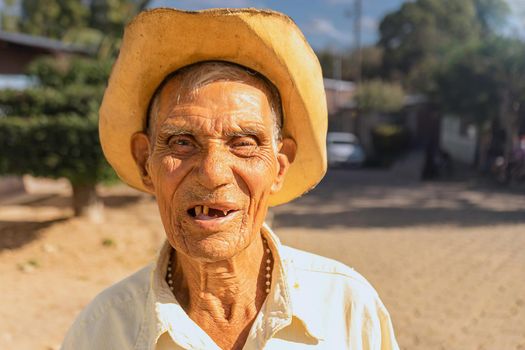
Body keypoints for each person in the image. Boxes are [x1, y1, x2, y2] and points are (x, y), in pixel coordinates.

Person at [61, 8, 399, 350]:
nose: (212, 173)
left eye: (243, 144)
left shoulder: (347, 308)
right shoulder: (102, 331)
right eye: (181, 142)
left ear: (280, 167)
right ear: (145, 162)